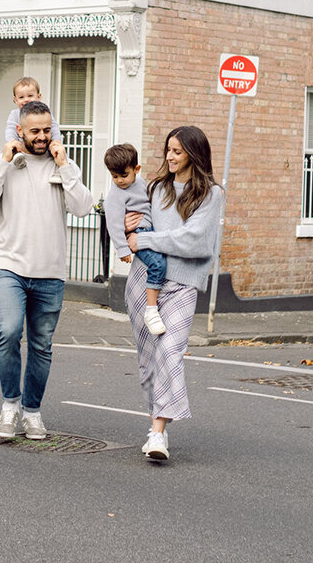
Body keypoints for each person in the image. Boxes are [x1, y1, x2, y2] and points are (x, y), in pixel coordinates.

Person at [0, 99, 94, 440]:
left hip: (50, 272)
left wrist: (66, 165)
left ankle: (32, 412)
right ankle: (9, 406)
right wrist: (3, 163)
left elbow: (83, 208)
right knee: (8, 332)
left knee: (41, 345)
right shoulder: (3, 163)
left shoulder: (63, 166)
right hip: (9, 267)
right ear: (20, 130)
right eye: (35, 130)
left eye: (46, 129)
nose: (42, 136)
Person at [124, 125, 222, 463]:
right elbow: (135, 222)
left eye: (177, 151)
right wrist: (129, 229)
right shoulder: (155, 188)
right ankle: (156, 422)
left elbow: (195, 241)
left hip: (182, 285)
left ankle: (158, 432)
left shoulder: (211, 195)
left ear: (194, 154)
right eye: (168, 149)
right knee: (148, 360)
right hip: (142, 281)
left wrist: (147, 240)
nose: (169, 156)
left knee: (169, 351)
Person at [103, 143, 167, 336]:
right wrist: (122, 249)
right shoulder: (114, 196)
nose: (120, 181)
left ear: (136, 169)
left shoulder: (141, 184)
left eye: (124, 175)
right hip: (138, 232)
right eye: (115, 176)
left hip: (152, 230)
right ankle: (151, 310)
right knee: (157, 264)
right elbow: (114, 225)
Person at [4, 76, 62, 145]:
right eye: (21, 97)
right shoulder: (15, 114)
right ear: (16, 100)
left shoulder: (44, 113)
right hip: (20, 146)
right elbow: (10, 129)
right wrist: (12, 141)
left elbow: (54, 127)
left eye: (30, 96)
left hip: (42, 145)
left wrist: (55, 141)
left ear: (38, 97)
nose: (26, 99)